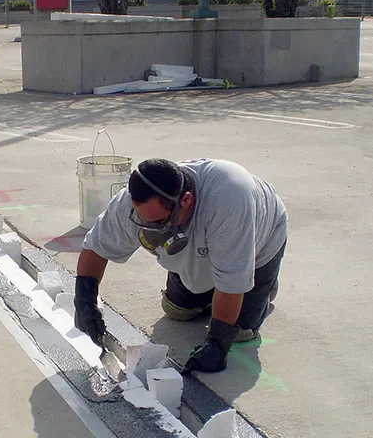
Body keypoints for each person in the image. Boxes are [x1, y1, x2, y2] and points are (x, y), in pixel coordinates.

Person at [73, 158, 288, 373]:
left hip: (258, 244)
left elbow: (232, 282)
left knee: (239, 333)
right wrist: (85, 302)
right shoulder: (127, 204)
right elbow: (95, 248)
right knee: (177, 312)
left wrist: (217, 345)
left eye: (158, 223)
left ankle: (261, 285)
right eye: (143, 221)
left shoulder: (229, 199)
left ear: (185, 200)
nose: (151, 230)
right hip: (198, 247)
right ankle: (208, 290)